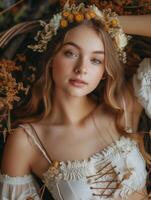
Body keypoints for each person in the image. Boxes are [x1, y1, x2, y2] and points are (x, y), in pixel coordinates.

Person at [0, 2, 151, 200]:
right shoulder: (27, 141)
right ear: (51, 57)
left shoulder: (122, 106)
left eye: (96, 59)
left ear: (104, 71)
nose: (82, 68)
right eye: (71, 53)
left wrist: (108, 21)